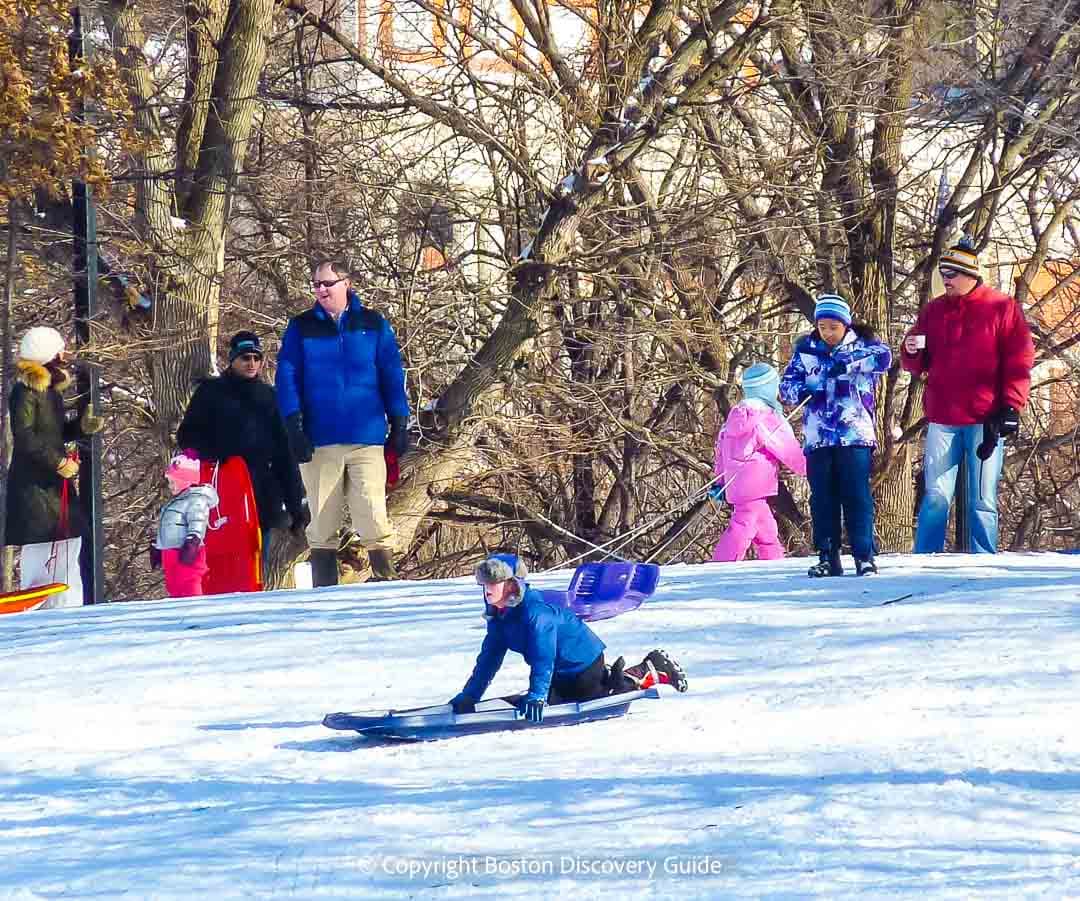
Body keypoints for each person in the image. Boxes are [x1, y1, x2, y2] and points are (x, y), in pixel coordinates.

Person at [276, 260, 410, 586]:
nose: (321, 290)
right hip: (320, 438)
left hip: (366, 435)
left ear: (346, 283)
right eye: (316, 284)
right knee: (322, 518)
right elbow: (287, 376)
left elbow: (391, 372)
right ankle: (325, 587)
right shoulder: (301, 327)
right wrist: (293, 425)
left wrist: (400, 420)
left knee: (372, 510)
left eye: (328, 283)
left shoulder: (372, 324)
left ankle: (386, 577)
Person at [902, 236, 1034, 554]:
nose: (945, 279)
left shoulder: (1002, 308)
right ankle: (924, 559)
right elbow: (916, 362)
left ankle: (983, 560)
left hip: (985, 418)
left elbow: (1020, 359)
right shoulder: (933, 312)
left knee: (982, 498)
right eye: (943, 273)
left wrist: (1011, 407)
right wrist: (910, 350)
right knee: (935, 494)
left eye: (952, 274)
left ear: (971, 276)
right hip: (943, 416)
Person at [449, 554, 688, 724]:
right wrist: (470, 696)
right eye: (485, 583)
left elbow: (544, 658)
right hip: (560, 672)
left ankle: (648, 669)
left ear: (512, 585)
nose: (487, 588)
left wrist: (537, 696)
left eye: (494, 582)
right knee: (553, 701)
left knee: (602, 697)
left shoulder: (536, 614)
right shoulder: (500, 617)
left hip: (582, 663)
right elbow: (488, 661)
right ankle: (611, 678)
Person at [779, 294, 892, 577]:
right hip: (819, 437)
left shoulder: (863, 346)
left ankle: (864, 555)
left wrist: (846, 363)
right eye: (823, 326)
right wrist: (806, 388)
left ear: (845, 325)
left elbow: (884, 358)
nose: (828, 332)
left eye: (834, 326)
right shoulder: (806, 352)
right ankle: (827, 555)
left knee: (856, 495)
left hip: (854, 435)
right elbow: (786, 388)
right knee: (823, 498)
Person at [176, 331, 309, 561]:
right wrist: (216, 454)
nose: (252, 363)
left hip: (262, 494)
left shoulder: (270, 397)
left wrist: (295, 506)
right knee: (223, 562)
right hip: (221, 490)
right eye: (245, 358)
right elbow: (187, 435)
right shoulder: (210, 392)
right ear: (233, 359)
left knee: (255, 564)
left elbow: (284, 455)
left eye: (256, 358)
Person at [5, 326, 103, 608]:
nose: (65, 354)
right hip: (34, 488)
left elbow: (54, 434)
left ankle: (68, 606)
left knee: (69, 545)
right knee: (40, 552)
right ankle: (40, 612)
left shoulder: (50, 392)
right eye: (60, 348)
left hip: (53, 486)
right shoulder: (25, 391)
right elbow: (24, 437)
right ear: (46, 353)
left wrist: (80, 428)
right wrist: (59, 462)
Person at [711, 363, 807, 563]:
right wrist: (810, 468)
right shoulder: (766, 417)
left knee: (766, 530)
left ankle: (774, 564)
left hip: (736, 485)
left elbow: (722, 450)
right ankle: (722, 564)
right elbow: (787, 448)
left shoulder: (734, 417)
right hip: (756, 484)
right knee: (742, 527)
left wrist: (719, 481)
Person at [151, 453, 218, 597]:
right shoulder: (176, 501)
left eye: (173, 481)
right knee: (174, 585)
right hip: (172, 555)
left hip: (186, 553)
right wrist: (159, 547)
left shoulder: (196, 499)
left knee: (188, 583)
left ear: (185, 479)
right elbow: (169, 526)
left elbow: (198, 520)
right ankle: (177, 613)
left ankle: (193, 611)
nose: (170, 486)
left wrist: (193, 540)